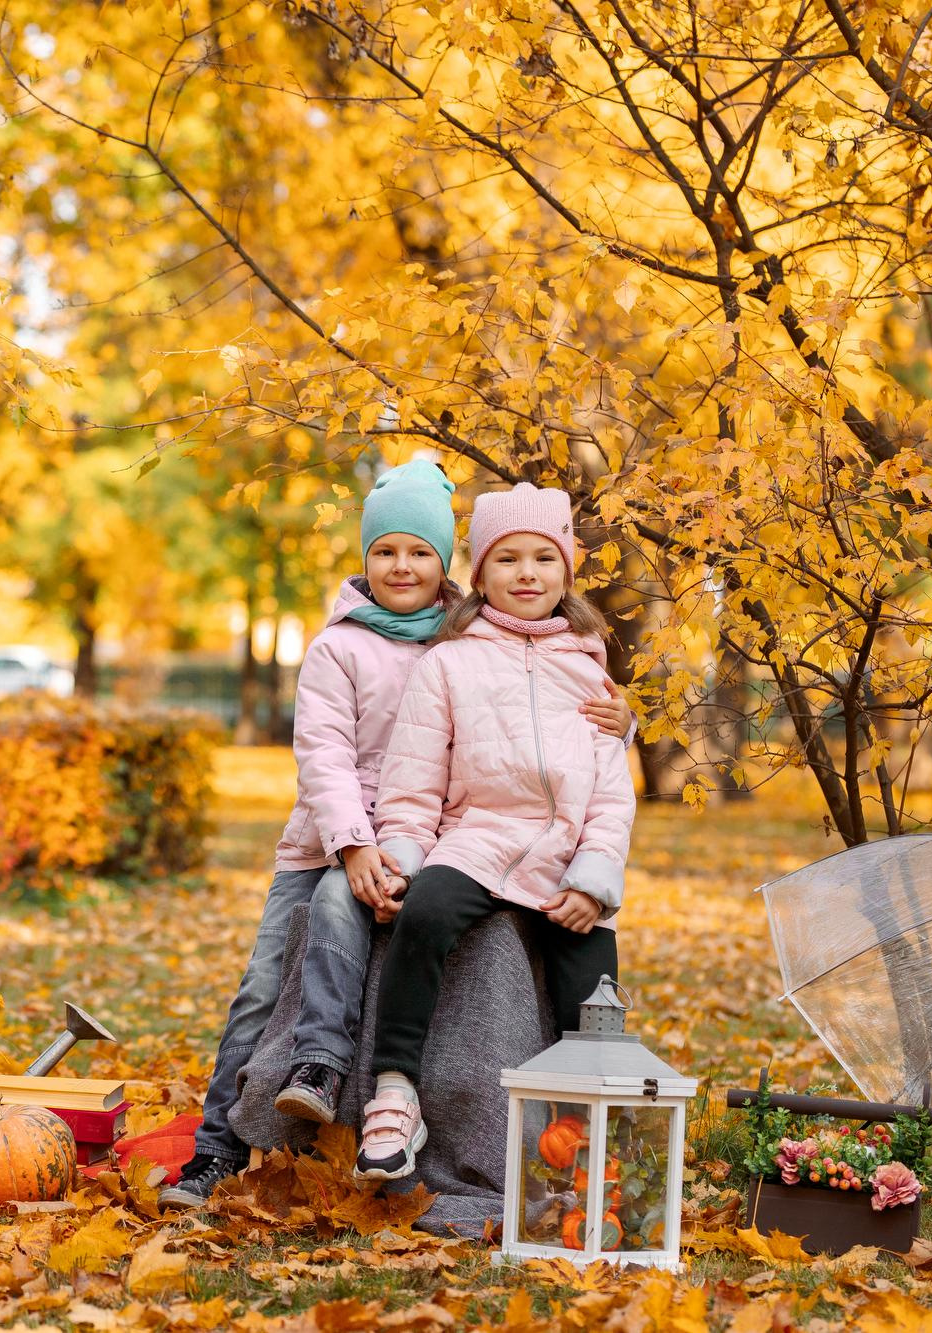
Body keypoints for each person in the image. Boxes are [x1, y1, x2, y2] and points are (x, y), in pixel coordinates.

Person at [163, 464, 631, 1211]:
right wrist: (356, 846)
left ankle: (594, 1160)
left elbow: (568, 731)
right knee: (270, 979)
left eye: (421, 551)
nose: (403, 566)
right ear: (366, 559)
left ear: (448, 565)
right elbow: (324, 755)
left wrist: (624, 725)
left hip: (447, 835)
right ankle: (243, 1126)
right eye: (385, 551)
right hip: (339, 840)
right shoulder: (345, 647)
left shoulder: (477, 635)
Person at [353, 482, 637, 1181]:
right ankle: (395, 1091)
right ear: (480, 574)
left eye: (544, 557)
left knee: (593, 990)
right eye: (507, 559)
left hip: (565, 854)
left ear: (566, 570)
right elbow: (413, 781)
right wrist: (402, 860)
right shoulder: (449, 663)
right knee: (423, 917)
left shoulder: (590, 670)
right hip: (476, 841)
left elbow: (610, 793)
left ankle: (585, 1136)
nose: (527, 573)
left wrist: (594, 880)